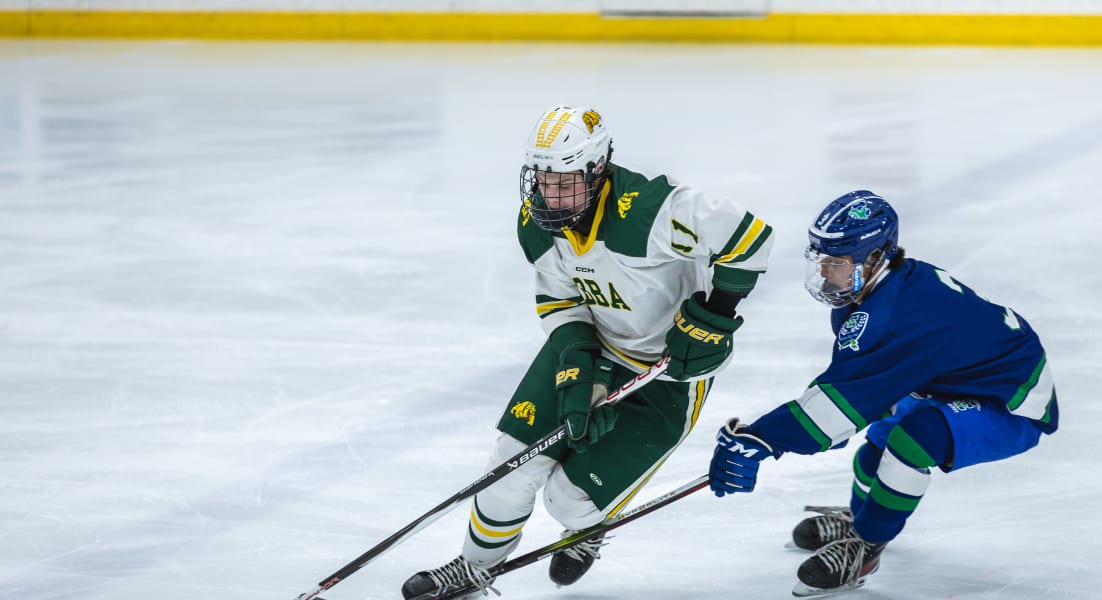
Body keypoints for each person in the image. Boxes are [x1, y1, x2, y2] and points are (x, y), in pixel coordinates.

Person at [401, 104, 774, 599]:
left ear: (597, 169)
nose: (549, 194)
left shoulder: (651, 210)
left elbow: (749, 237)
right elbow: (560, 299)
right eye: (542, 179)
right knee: (509, 465)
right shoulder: (537, 223)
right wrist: (579, 365)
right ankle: (473, 567)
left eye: (564, 181)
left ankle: (588, 527)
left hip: (667, 373)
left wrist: (713, 318)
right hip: (595, 346)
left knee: (570, 500)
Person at [707, 191, 1059, 597]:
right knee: (877, 446)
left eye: (837, 262)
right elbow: (848, 390)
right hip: (953, 380)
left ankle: (867, 545)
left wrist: (763, 438)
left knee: (915, 439)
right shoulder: (876, 293)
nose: (824, 271)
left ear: (875, 258)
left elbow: (836, 411)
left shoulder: (895, 319)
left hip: (1011, 401)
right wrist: (785, 431)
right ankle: (863, 520)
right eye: (821, 258)